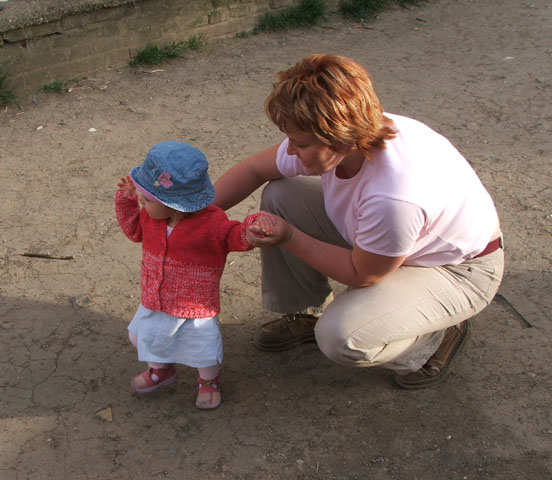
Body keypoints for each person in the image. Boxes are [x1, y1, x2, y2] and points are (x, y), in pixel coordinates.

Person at [214, 54, 504, 389]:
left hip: (458, 270)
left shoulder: (393, 195)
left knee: (341, 337)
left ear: (338, 136)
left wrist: (289, 237)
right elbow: (254, 169)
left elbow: (362, 274)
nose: (289, 151)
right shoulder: (358, 132)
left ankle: (432, 340)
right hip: (400, 241)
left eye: (301, 143)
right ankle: (305, 312)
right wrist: (191, 213)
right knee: (281, 196)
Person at [115, 140, 257, 409]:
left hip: (195, 307)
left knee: (202, 349)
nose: (141, 202)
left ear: (175, 204)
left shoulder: (212, 223)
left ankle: (208, 380)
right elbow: (133, 231)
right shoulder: (150, 217)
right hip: (155, 301)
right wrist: (127, 201)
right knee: (145, 337)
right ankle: (161, 370)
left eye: (146, 198)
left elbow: (234, 236)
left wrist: (251, 230)